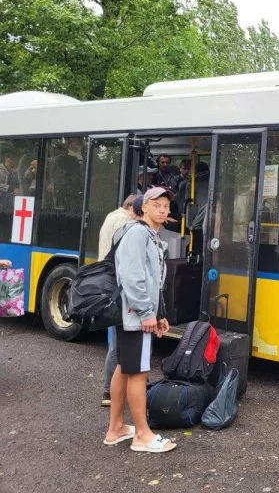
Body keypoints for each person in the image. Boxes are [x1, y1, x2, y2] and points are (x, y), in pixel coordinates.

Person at [104, 186, 176, 453]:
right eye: (157, 205)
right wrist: (147, 313)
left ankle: (116, 428)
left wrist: (159, 314)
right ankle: (142, 435)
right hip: (134, 316)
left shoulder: (147, 234)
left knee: (124, 367)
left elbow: (152, 280)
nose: (163, 210)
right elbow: (132, 277)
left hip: (133, 314)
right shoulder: (137, 233)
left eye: (166, 206)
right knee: (138, 371)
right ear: (143, 206)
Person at [98, 195, 137, 407]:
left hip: (108, 281)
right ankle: (109, 391)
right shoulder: (124, 221)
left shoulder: (111, 216)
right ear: (130, 207)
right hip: (116, 285)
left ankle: (117, 390)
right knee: (117, 345)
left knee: (116, 341)